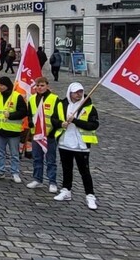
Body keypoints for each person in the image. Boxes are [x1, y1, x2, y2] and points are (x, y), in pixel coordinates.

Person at [52, 82, 99, 210]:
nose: (79, 94)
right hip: (64, 142)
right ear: (70, 93)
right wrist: (61, 124)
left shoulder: (89, 107)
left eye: (80, 92)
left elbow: (93, 125)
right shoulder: (61, 104)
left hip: (81, 145)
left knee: (84, 172)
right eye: (76, 92)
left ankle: (90, 196)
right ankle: (66, 190)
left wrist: (76, 121)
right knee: (67, 169)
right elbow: (53, 119)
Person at [0, 76, 29, 183]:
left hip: (13, 131)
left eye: (2, 85)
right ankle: (0, 171)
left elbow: (24, 112)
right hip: (0, 129)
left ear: (7, 86)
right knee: (0, 153)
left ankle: (15, 172)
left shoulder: (17, 97)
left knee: (14, 154)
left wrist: (11, 115)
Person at [26, 77, 61, 193]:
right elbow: (30, 113)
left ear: (47, 86)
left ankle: (52, 182)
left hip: (49, 134)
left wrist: (54, 130)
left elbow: (58, 116)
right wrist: (30, 121)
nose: (39, 88)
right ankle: (37, 179)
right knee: (37, 158)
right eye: (38, 86)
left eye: (42, 85)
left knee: (50, 160)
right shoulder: (31, 99)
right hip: (36, 134)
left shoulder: (54, 99)